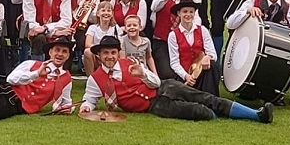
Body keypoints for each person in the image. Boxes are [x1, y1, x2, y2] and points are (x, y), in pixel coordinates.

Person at [80, 36, 273, 122]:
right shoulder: (95, 79)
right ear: (99, 56)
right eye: (105, 54)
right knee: (199, 111)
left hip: (164, 87)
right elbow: (90, 98)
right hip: (154, 106)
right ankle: (222, 115)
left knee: (207, 98)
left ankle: (256, 115)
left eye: (113, 53)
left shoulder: (130, 63)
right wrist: (86, 107)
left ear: (117, 53)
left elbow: (155, 82)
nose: (110, 57)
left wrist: (143, 74)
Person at [150, 0, 200, 82]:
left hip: (182, 43)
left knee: (187, 71)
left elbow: (197, 21)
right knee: (167, 73)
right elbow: (154, 7)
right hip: (162, 41)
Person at [166, 0, 220, 95]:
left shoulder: (203, 30)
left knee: (213, 67)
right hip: (185, 74)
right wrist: (186, 76)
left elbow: (213, 54)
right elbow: (174, 63)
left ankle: (211, 98)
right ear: (179, 13)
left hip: (202, 73)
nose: (188, 15)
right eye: (185, 12)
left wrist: (207, 57)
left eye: (191, 12)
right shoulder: (173, 35)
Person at [84, 1, 122, 75]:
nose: (106, 13)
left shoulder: (116, 28)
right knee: (87, 52)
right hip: (97, 56)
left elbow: (120, 46)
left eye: (108, 11)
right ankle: (91, 78)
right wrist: (100, 52)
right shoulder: (93, 28)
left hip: (111, 55)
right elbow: (87, 44)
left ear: (112, 14)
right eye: (103, 10)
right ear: (98, 14)